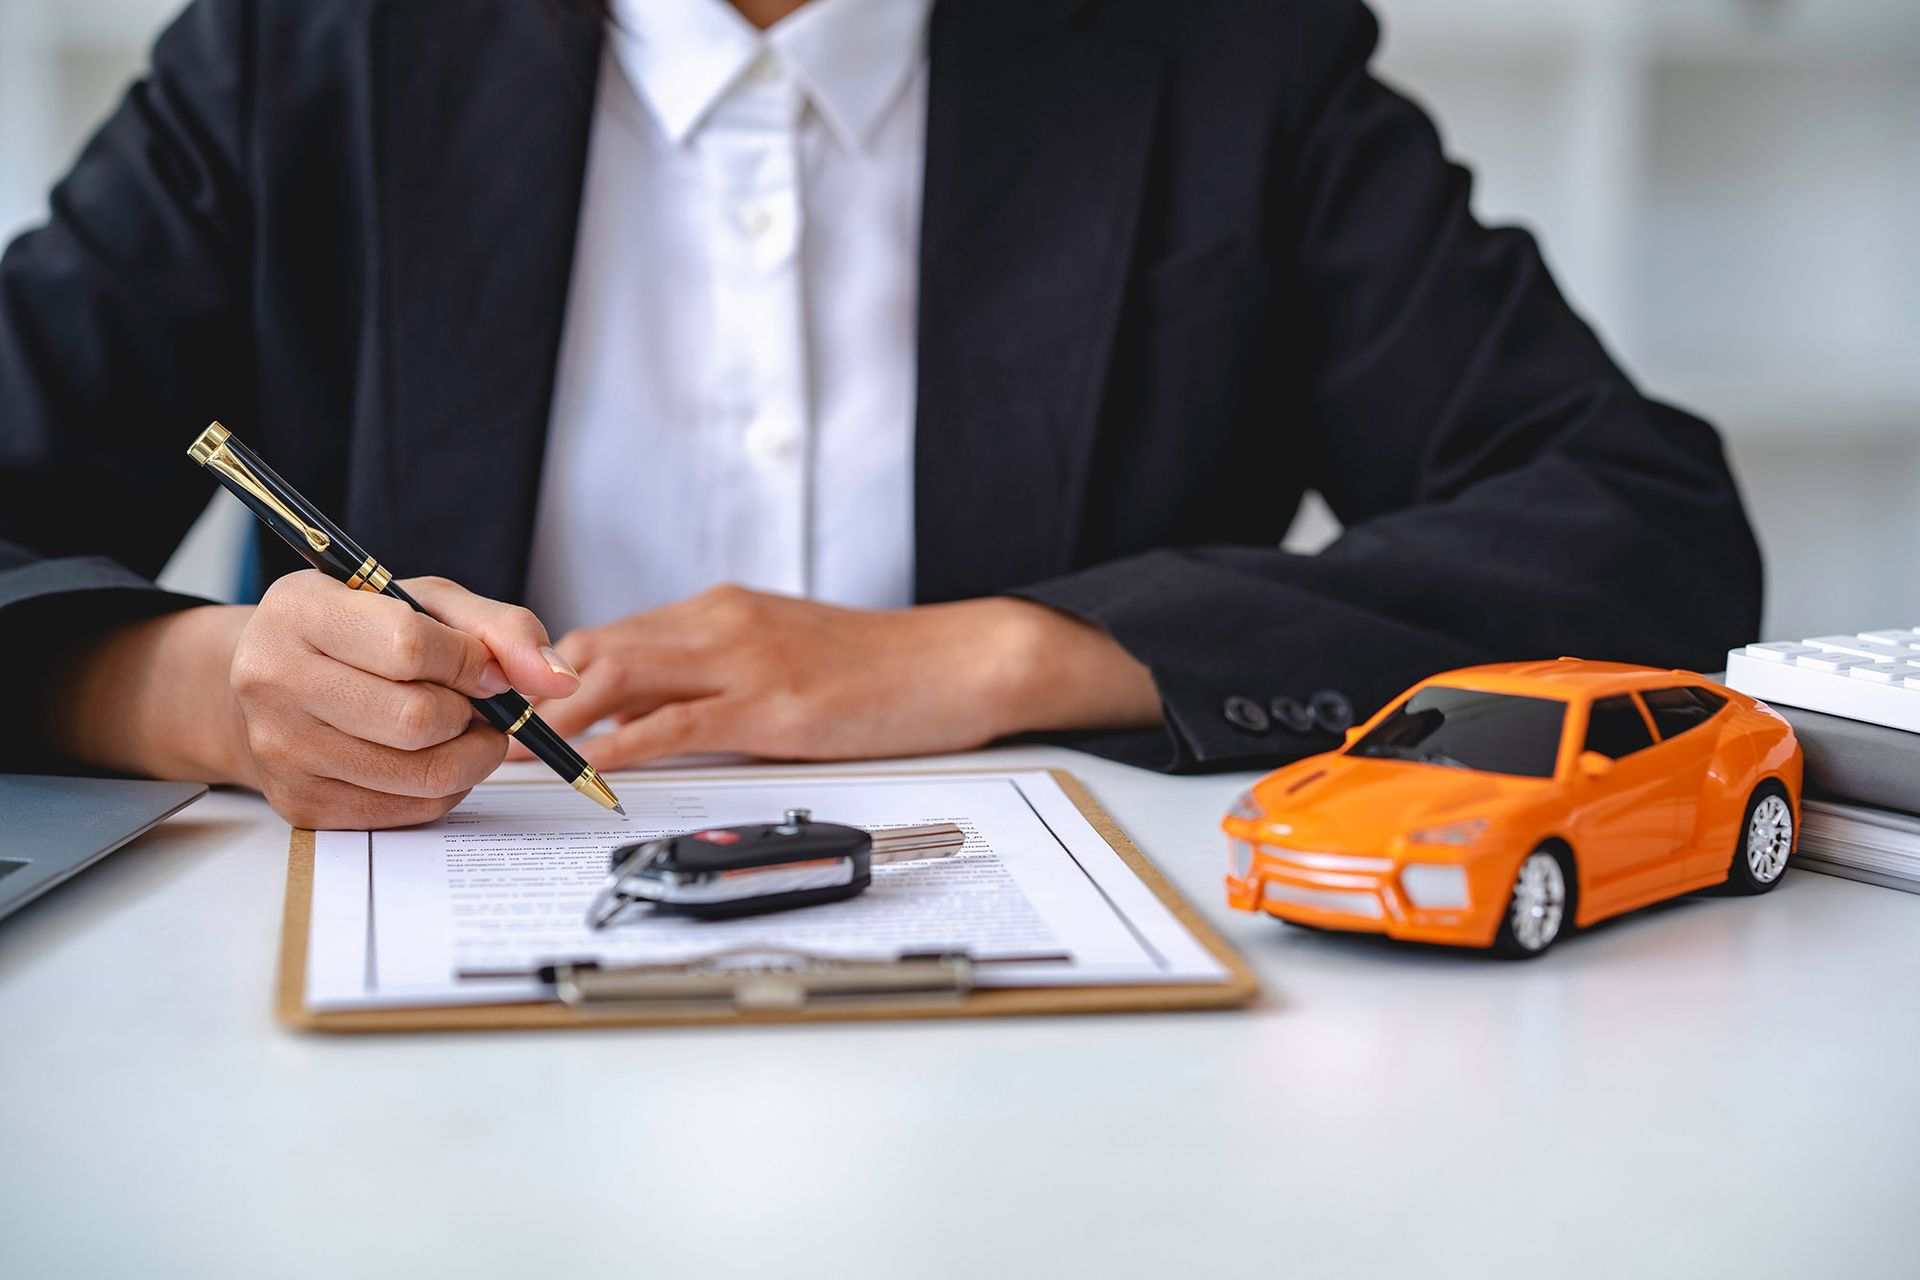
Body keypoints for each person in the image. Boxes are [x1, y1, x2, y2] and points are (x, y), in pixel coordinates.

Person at [0, 0, 1761, 829]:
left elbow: (1641, 522)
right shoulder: (302, 49)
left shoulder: (1230, 53)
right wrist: (200, 692)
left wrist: (1012, 653)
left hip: (1097, 1091)